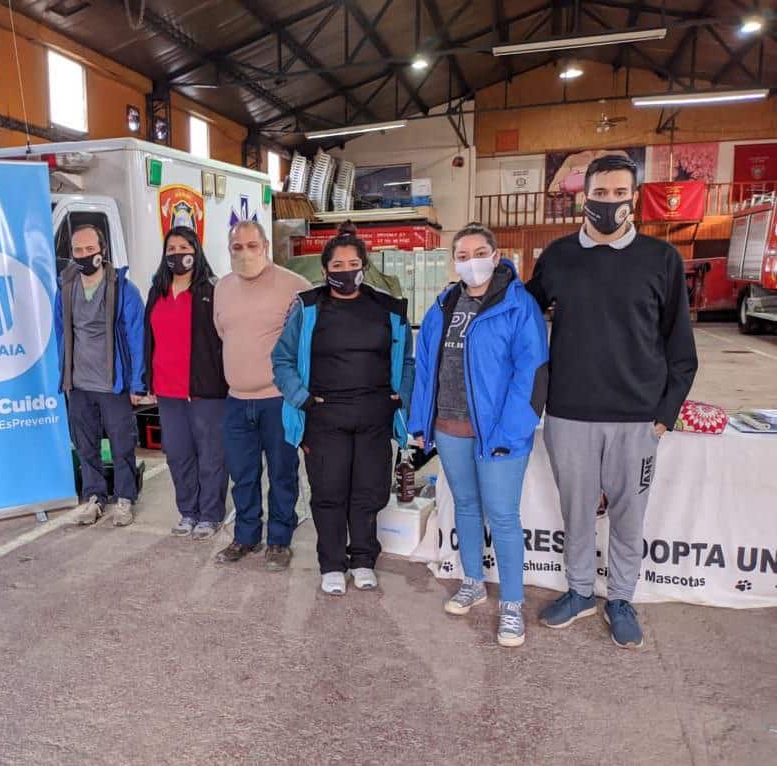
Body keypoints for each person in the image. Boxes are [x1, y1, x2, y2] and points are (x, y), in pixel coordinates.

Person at [527, 154, 698, 649]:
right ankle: (580, 591)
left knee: (628, 515)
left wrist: (663, 417)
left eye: (619, 193)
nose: (608, 202)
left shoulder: (661, 260)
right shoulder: (558, 257)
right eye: (599, 194)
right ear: (585, 197)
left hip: (637, 417)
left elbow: (680, 349)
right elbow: (521, 313)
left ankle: (620, 598)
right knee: (576, 512)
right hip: (570, 412)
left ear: (633, 198)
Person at [408, 223, 548, 647]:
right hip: (450, 427)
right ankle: (472, 581)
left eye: (479, 251)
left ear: (496, 253)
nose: (472, 262)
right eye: (463, 255)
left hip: (499, 434)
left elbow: (533, 372)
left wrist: (512, 430)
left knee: (503, 517)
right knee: (466, 507)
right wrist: (420, 423)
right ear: (454, 262)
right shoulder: (442, 306)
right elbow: (425, 368)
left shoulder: (518, 306)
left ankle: (511, 603)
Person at [272, 222, 414, 595]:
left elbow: (409, 361)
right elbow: (282, 359)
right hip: (324, 418)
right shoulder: (307, 308)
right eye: (337, 266)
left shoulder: (389, 309)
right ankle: (332, 563)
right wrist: (300, 398)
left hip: (375, 418)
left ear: (364, 267)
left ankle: (364, 559)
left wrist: (402, 394)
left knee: (369, 492)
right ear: (325, 271)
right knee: (329, 491)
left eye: (353, 264)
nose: (345, 272)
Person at [213, 220, 311, 570]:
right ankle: (246, 536)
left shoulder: (294, 286)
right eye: (237, 247)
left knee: (283, 472)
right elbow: (224, 333)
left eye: (252, 245)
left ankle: (279, 540)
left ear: (266, 246)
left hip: (277, 400)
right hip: (236, 401)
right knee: (243, 473)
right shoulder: (223, 288)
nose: (245, 253)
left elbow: (305, 343)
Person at [54, 224, 145, 527]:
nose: (83, 256)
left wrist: (137, 383)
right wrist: (64, 375)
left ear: (102, 250)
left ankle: (124, 498)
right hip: (79, 384)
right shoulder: (66, 288)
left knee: (122, 444)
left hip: (113, 383)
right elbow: (60, 332)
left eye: (89, 250)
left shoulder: (123, 289)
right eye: (77, 251)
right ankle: (94, 497)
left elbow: (136, 337)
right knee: (85, 444)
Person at [143, 226, 228, 540]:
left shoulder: (211, 290)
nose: (177, 253)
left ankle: (210, 514)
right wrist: (146, 380)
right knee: (178, 454)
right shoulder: (158, 291)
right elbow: (147, 338)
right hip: (168, 390)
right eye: (171, 248)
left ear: (196, 250)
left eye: (184, 246)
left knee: (211, 454)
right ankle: (188, 512)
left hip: (206, 390)